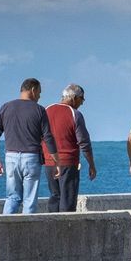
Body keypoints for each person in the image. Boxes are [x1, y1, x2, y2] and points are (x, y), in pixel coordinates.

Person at [0, 77, 58, 215]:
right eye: (39, 92)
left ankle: (4, 229)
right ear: (33, 90)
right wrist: (57, 162)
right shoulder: (39, 110)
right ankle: (28, 233)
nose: (39, 96)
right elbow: (48, 137)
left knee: (12, 197)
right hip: (31, 158)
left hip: (11, 157)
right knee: (29, 200)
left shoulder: (6, 107)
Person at [44, 84, 95, 213]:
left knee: (55, 196)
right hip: (67, 162)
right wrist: (91, 164)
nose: (82, 103)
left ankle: (53, 226)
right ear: (73, 98)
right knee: (68, 199)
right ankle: (66, 230)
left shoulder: (46, 110)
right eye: (81, 99)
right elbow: (84, 142)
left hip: (49, 162)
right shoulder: (75, 114)